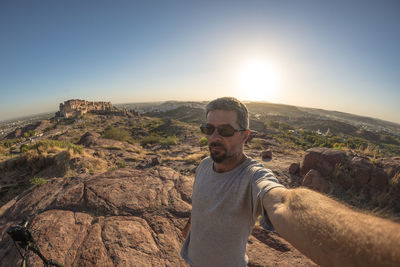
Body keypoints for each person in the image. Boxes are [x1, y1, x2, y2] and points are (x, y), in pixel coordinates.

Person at [180, 97, 400, 267]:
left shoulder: (252, 176)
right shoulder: (204, 165)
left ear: (245, 135)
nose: (215, 137)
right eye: (208, 129)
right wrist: (189, 226)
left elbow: (283, 202)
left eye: (225, 130)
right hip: (190, 258)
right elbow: (202, 203)